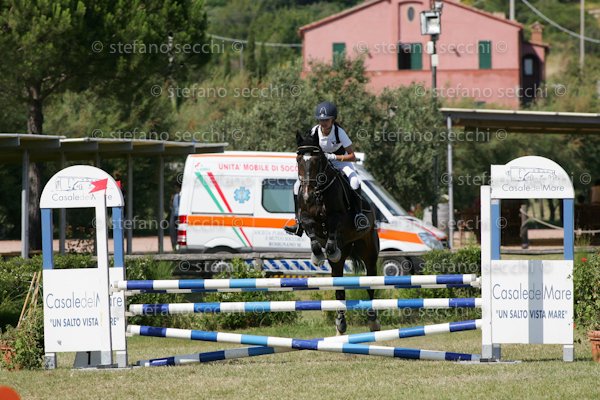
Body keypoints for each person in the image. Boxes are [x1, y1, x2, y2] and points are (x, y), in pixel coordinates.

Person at [285, 101, 368, 236]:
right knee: (296, 186)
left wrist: (334, 157)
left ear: (333, 120)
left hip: (341, 162)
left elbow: (352, 156)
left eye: (326, 120)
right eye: (321, 120)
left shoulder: (339, 132)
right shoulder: (314, 131)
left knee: (355, 181)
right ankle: (298, 221)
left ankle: (358, 216)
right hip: (321, 164)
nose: (323, 123)